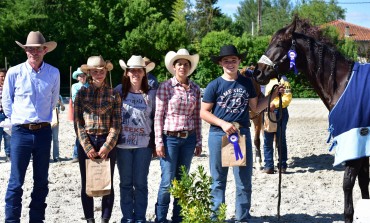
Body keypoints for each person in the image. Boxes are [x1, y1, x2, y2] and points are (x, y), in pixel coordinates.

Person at [200, 44, 284, 222]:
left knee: (243, 182)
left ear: (239, 61)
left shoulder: (247, 83)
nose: (230, 63)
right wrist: (223, 124)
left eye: (233, 60)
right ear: (221, 63)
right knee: (218, 181)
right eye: (226, 61)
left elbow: (255, 107)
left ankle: (242, 218)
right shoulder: (214, 85)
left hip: (241, 133)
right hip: (218, 134)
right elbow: (204, 112)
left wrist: (273, 95)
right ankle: (217, 218)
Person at [3, 31, 60, 222]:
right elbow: (7, 102)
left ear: (44, 50)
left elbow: (53, 101)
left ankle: (36, 219)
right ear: (25, 50)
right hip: (21, 131)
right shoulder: (14, 72)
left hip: (43, 131)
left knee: (41, 181)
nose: (33, 52)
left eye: (37, 49)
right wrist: (19, 119)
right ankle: (12, 220)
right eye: (29, 49)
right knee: (16, 181)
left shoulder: (54, 73)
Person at [154, 49, 202, 223]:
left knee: (182, 180)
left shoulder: (195, 88)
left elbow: (197, 116)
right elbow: (159, 115)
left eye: (186, 64)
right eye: (179, 64)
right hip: (170, 138)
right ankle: (160, 218)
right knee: (167, 181)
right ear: (174, 67)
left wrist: (198, 140)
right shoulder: (165, 87)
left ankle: (178, 218)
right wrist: (158, 142)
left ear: (190, 67)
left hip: (189, 139)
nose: (183, 67)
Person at [74, 55, 122, 223]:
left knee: (107, 182)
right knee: (87, 182)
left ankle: (105, 219)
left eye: (101, 71)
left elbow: (116, 124)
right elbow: (78, 123)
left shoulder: (114, 94)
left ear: (105, 72)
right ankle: (90, 219)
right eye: (95, 71)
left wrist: (107, 146)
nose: (98, 74)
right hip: (87, 140)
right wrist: (87, 147)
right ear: (89, 73)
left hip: (106, 140)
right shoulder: (81, 94)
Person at [114, 55, 156, 223]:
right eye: (132, 70)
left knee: (140, 183)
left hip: (143, 145)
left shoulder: (151, 94)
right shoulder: (118, 91)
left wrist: (155, 143)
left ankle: (139, 217)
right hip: (122, 145)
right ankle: (127, 217)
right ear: (127, 73)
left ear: (144, 73)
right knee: (125, 183)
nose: (135, 73)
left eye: (139, 70)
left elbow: (156, 119)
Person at [262, 75, 292, 174]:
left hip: (280, 111)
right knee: (267, 139)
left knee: (280, 138)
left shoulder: (284, 80)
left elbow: (287, 98)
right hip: (267, 111)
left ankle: (282, 165)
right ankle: (269, 166)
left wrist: (275, 104)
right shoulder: (265, 79)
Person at [71, 67, 89, 163]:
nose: (82, 77)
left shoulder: (90, 85)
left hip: (89, 113)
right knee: (79, 132)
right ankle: (76, 154)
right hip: (79, 112)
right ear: (77, 77)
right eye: (80, 76)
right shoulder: (74, 86)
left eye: (84, 75)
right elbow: (75, 98)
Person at [0, 68, 11, 162]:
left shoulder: (10, 88)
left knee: (8, 136)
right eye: (1, 76)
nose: (3, 78)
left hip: (8, 115)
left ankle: (8, 155)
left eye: (5, 76)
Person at [51, 95, 65, 162]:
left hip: (55, 119)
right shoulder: (45, 94)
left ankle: (56, 156)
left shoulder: (59, 96)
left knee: (55, 139)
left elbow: (63, 108)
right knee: (47, 139)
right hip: (46, 119)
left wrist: (60, 103)